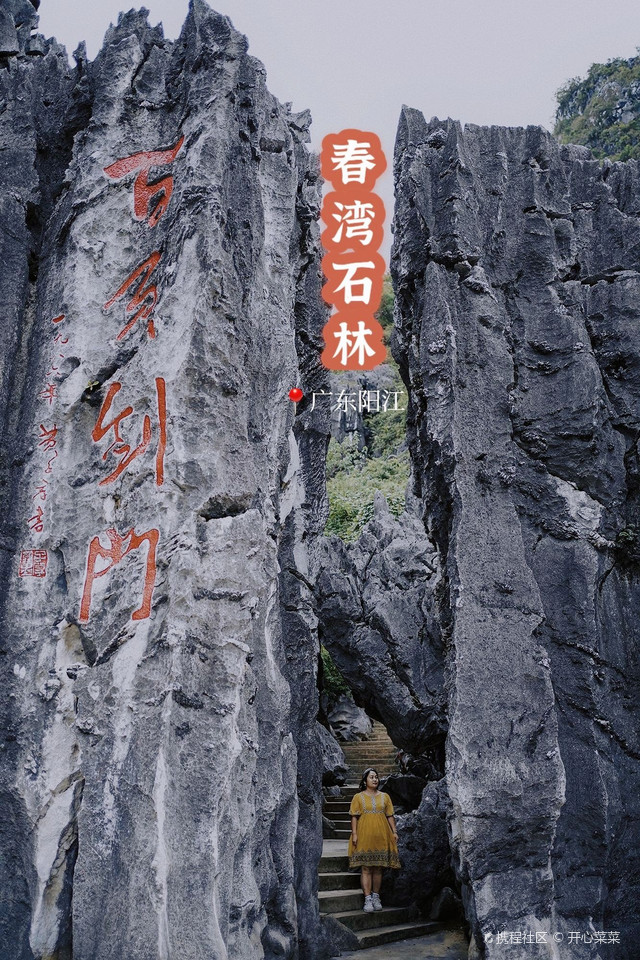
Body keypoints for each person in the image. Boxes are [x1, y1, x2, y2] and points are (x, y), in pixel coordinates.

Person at [347, 767, 400, 913]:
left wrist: (394, 832)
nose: (375, 779)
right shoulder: (358, 797)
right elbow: (354, 816)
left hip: (382, 835)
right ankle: (367, 899)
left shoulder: (385, 797)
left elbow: (390, 815)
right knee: (366, 867)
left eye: (376, 777)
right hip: (364, 835)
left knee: (378, 867)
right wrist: (355, 834)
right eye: (371, 777)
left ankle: (376, 897)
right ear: (365, 781)